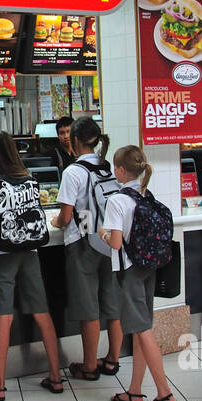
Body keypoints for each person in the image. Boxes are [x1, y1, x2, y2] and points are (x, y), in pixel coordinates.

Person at [0, 131, 64, 400]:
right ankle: (56, 376)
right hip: (30, 250)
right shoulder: (29, 177)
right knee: (41, 311)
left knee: (4, 316)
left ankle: (0, 384)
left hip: (0, 252)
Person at [105, 145, 178, 401]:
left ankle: (164, 393)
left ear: (122, 170)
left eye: (115, 167)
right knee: (140, 327)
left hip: (128, 272)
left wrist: (102, 232)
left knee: (143, 331)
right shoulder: (146, 195)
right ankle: (135, 391)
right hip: (148, 267)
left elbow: (114, 243)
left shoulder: (117, 200)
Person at [50, 116, 123, 379]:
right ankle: (113, 359)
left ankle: (90, 366)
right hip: (109, 240)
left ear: (76, 140)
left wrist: (55, 221)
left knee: (88, 307)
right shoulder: (108, 167)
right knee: (112, 303)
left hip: (83, 242)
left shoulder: (74, 171)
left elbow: (66, 217)